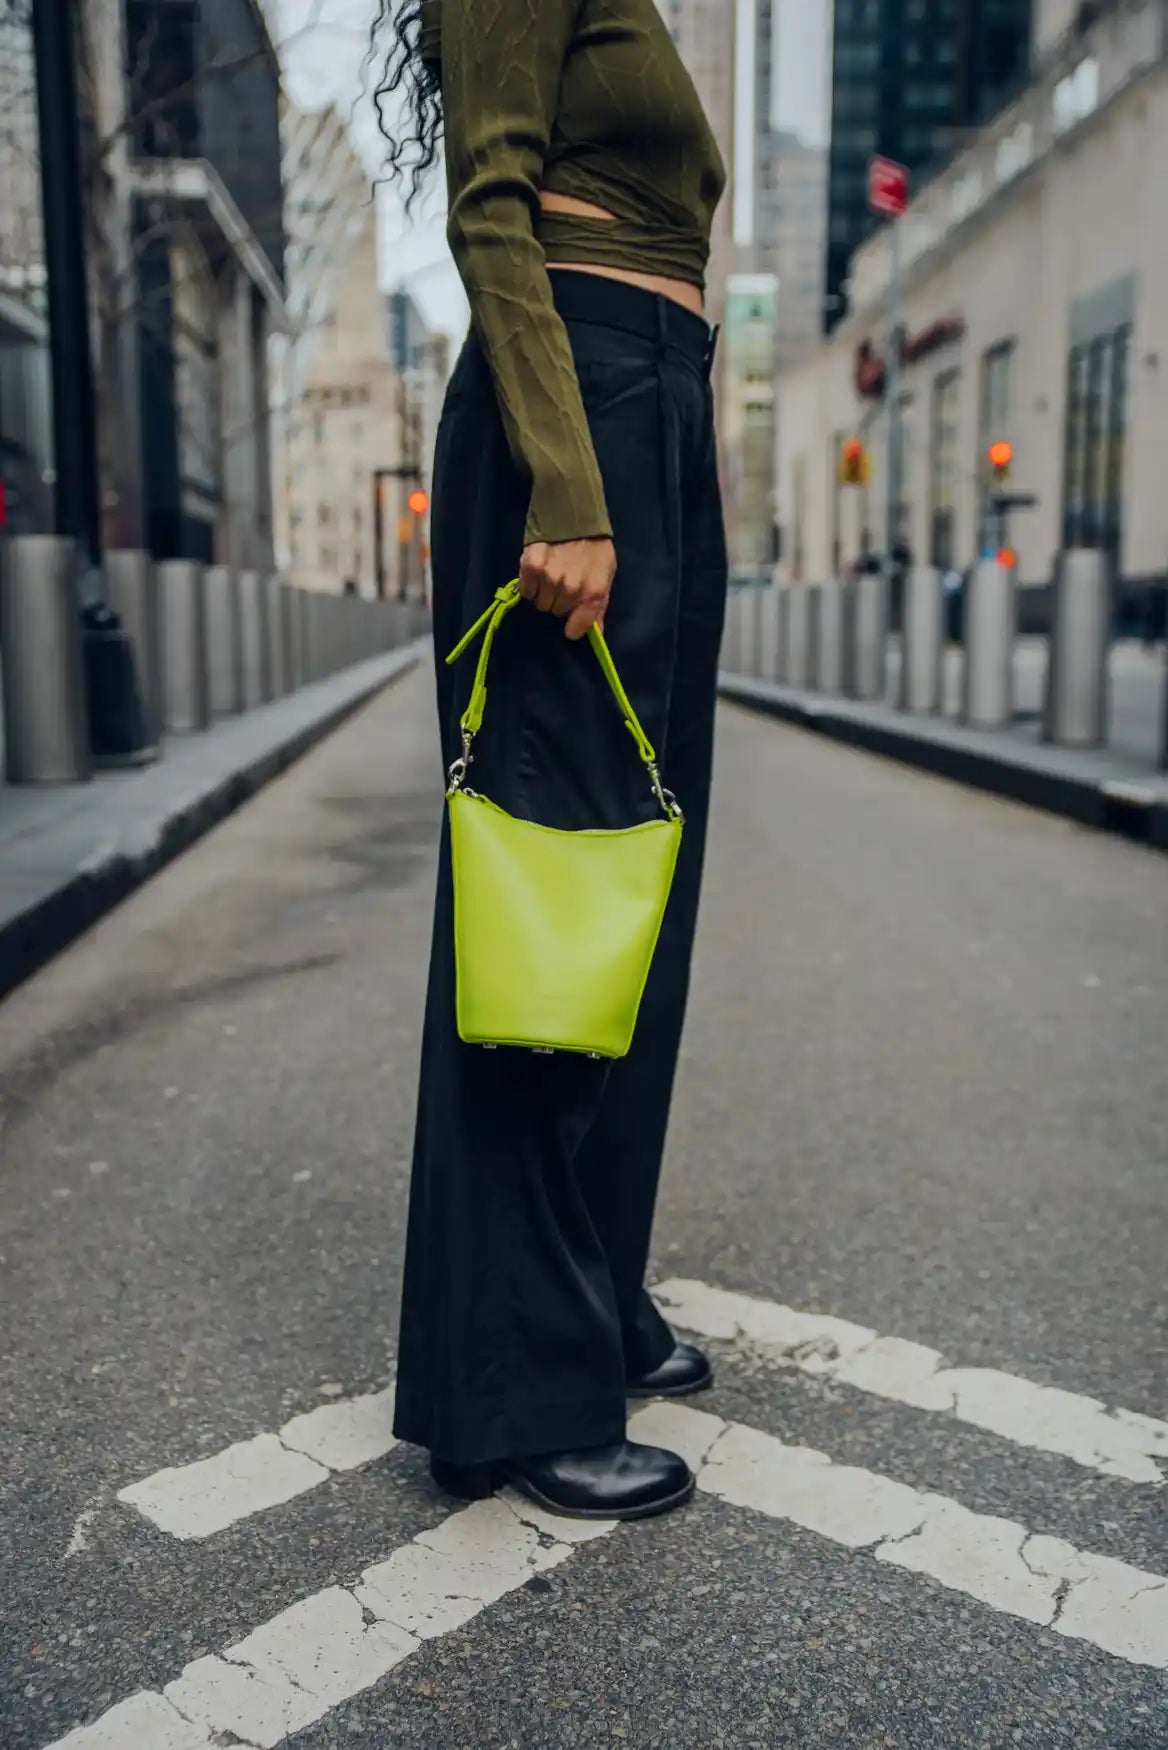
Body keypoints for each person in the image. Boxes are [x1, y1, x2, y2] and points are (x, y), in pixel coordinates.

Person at [375, 0, 729, 1522]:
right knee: (550, 885)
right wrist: (569, 480)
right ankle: (513, 1388)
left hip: (656, 396)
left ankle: (592, 1291)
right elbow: (490, 200)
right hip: (576, 409)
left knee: (634, 887)